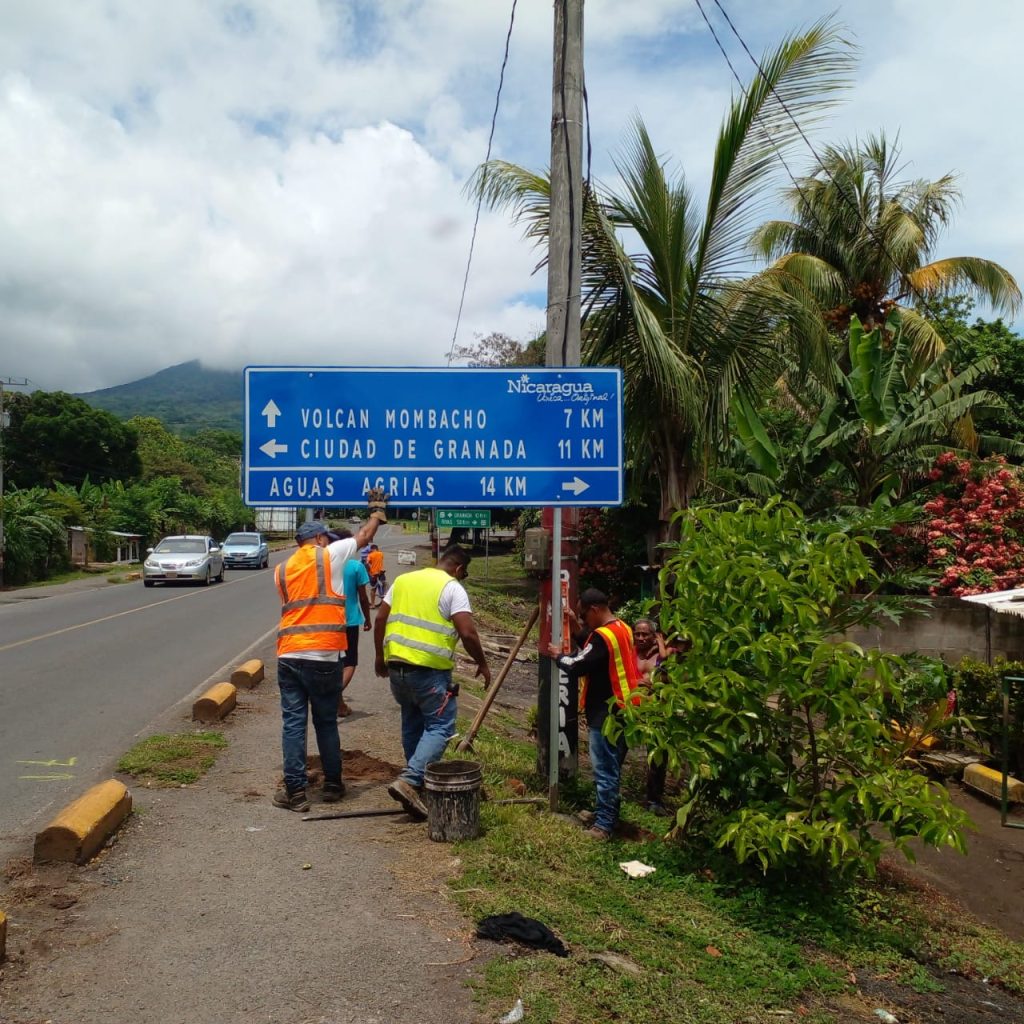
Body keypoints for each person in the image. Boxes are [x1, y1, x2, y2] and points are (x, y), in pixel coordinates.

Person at [272, 491, 387, 812]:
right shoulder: (329, 554)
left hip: (289, 653)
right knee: (325, 721)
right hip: (324, 655)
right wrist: (377, 511)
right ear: (321, 538)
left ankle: (294, 792)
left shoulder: (282, 569)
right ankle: (333, 784)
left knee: (294, 724)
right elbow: (364, 536)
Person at [374, 544, 491, 819]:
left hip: (397, 669)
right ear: (459, 569)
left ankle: (416, 783)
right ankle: (411, 779)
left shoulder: (404, 580)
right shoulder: (452, 587)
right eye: (463, 574)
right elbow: (468, 632)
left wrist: (380, 657)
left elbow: (380, 618)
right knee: (440, 726)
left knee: (412, 720)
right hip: (429, 672)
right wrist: (483, 663)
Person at [549, 588, 641, 840]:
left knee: (604, 769)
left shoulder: (603, 636)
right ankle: (607, 814)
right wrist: (574, 623)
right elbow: (594, 649)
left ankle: (604, 825)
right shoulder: (623, 628)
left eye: (584, 616)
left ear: (595, 610)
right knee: (612, 766)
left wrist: (559, 657)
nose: (584, 621)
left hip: (606, 712)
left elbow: (580, 663)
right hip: (627, 708)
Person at [326, 528, 372, 718]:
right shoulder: (355, 567)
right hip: (350, 620)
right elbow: (363, 597)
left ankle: (339, 704)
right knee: (350, 662)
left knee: (333, 661)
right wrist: (368, 619)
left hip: (327, 620)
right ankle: (333, 696)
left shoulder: (324, 564)